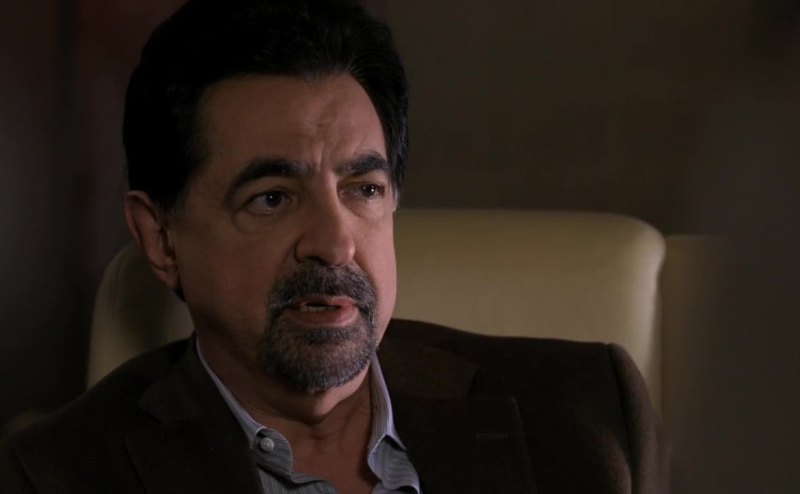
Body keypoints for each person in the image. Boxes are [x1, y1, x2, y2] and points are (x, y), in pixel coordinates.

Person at [0, 0, 668, 492]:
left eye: (364, 189)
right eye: (271, 198)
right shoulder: (54, 475)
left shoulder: (587, 414)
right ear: (160, 237)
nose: (335, 243)